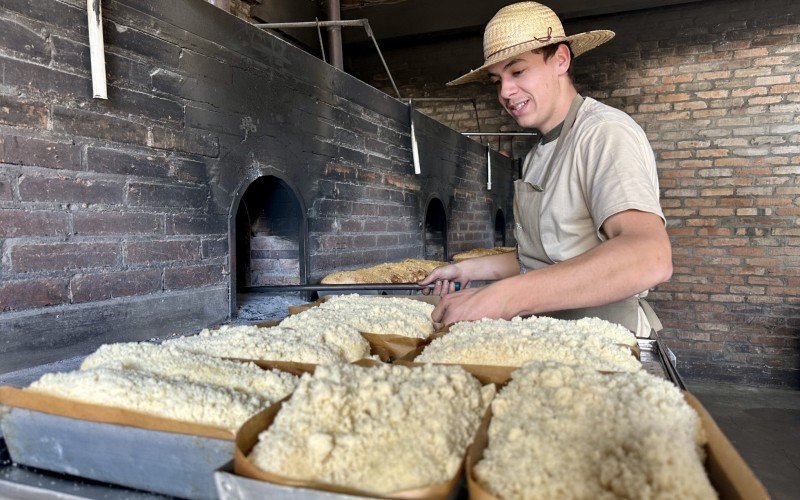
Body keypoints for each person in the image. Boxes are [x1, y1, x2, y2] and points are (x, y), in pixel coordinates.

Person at [419, 1, 672, 337]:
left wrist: (504, 297)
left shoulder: (603, 133)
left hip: (602, 338)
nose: (506, 92)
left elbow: (648, 256)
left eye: (518, 71)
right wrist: (464, 270)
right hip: (550, 334)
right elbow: (545, 257)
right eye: (497, 80)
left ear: (561, 60)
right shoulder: (541, 151)